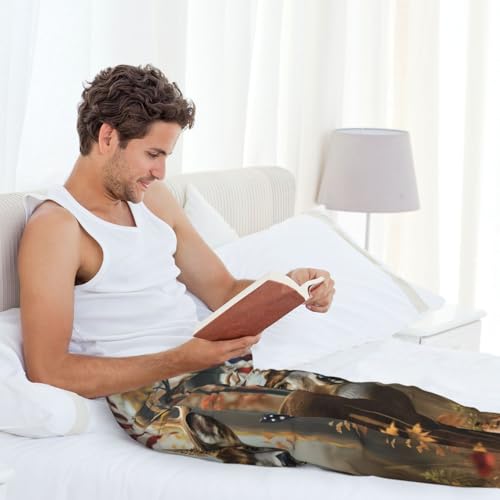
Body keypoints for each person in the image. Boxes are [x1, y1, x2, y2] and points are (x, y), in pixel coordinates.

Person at [18, 64, 500, 488]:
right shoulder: (57, 228)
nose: (161, 172)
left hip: (217, 373)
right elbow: (50, 369)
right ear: (107, 137)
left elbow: (223, 290)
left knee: (384, 400)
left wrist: (292, 287)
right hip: (158, 405)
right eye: (153, 154)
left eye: (166, 157)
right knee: (350, 431)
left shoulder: (153, 202)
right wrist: (180, 357)